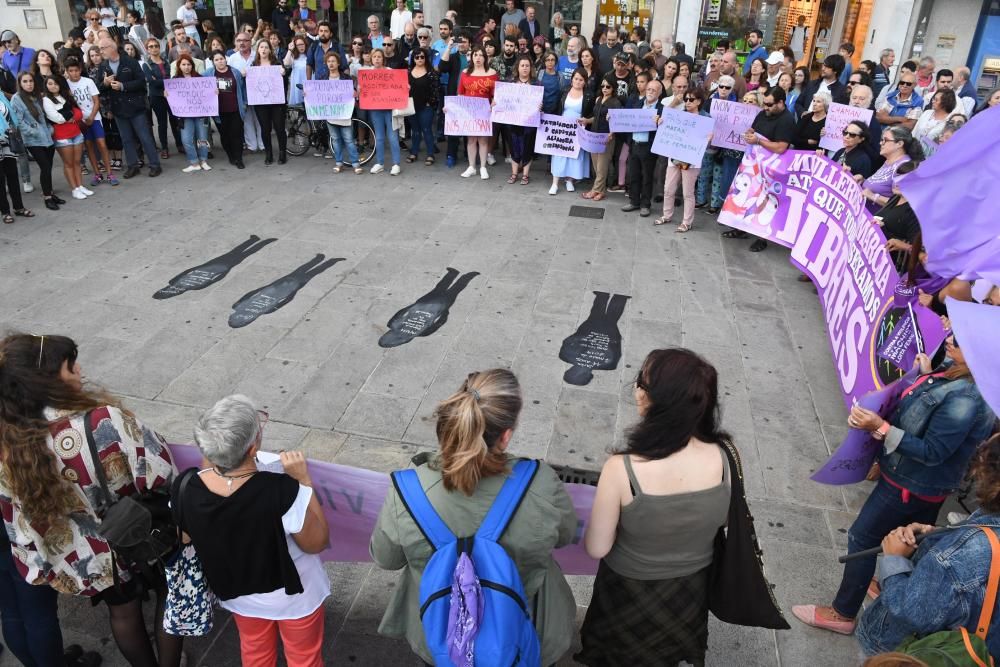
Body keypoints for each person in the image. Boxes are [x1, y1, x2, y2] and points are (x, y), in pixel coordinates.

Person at [370, 368, 577, 666]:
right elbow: (566, 535)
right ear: (505, 437)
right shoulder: (541, 483)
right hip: (528, 631)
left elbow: (386, 558)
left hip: (439, 636)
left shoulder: (407, 490)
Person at [794, 335, 996, 637]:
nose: (951, 339)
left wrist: (879, 427)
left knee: (862, 538)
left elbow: (932, 452)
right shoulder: (958, 373)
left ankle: (843, 612)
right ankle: (891, 578)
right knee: (910, 537)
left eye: (965, 340)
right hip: (917, 482)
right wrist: (927, 370)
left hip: (911, 483)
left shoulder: (965, 399)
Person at [0, 333, 182, 667]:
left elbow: (17, 520)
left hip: (89, 556)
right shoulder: (102, 421)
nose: (80, 370)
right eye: (71, 365)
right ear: (51, 378)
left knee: (123, 613)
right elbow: (160, 471)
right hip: (139, 531)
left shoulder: (9, 441)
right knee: (169, 592)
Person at [577, 348, 731, 665]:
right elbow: (723, 519)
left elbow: (596, 547)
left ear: (655, 402)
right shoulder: (727, 456)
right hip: (689, 590)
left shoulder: (622, 468)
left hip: (627, 591)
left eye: (641, 384)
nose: (636, 391)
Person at [176, 395, 330, 666]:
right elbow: (316, 542)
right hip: (293, 599)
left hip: (239, 595)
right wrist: (303, 480)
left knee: (255, 653)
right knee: (303, 658)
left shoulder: (186, 488)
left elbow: (187, 535)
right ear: (252, 449)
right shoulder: (282, 490)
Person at [738, 87, 795, 252]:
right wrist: (750, 133)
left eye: (769, 105)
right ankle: (742, 227)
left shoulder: (787, 120)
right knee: (750, 194)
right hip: (755, 162)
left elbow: (781, 147)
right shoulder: (764, 113)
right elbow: (754, 128)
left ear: (781, 103)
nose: (766, 108)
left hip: (773, 166)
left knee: (767, 201)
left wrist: (758, 141)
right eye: (764, 104)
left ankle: (761, 238)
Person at [96, 37, 162, 178]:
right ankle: (133, 166)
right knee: (126, 139)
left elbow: (141, 82)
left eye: (102, 48)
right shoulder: (103, 66)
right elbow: (98, 88)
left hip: (135, 107)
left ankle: (155, 165)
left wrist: (123, 86)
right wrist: (105, 84)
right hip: (118, 108)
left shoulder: (130, 62)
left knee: (145, 137)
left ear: (111, 47)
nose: (100, 52)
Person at [656, 88, 710, 232]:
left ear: (699, 101)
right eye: (686, 99)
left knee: (687, 192)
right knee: (668, 189)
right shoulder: (679, 115)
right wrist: (661, 122)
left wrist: (709, 138)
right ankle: (666, 215)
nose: (687, 102)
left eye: (691, 100)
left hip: (691, 161)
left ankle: (687, 221)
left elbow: (708, 141)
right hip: (675, 156)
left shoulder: (706, 118)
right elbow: (665, 125)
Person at [11, 73, 64, 211]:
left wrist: (49, 129)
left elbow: (44, 116)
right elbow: (18, 122)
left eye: (31, 81)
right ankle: (47, 197)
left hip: (47, 137)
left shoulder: (37, 96)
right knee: (45, 167)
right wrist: (33, 132)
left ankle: (50, 193)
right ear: (20, 83)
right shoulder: (17, 99)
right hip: (33, 140)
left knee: (48, 167)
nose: (29, 84)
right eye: (25, 81)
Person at [65, 57, 117, 187]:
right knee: (89, 147)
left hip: (94, 118)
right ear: (67, 71)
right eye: (71, 71)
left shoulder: (88, 82)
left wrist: (92, 117)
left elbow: (96, 101)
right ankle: (97, 174)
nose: (74, 73)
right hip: (80, 121)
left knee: (101, 144)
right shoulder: (65, 85)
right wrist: (80, 119)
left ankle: (110, 173)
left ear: (80, 70)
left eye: (76, 70)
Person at [41, 75, 92, 202]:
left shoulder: (66, 96)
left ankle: (80, 186)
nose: (53, 86)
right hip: (62, 137)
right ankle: (74, 189)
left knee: (77, 162)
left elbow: (79, 113)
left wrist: (67, 114)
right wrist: (69, 114)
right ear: (46, 86)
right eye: (50, 84)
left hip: (76, 133)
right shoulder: (46, 100)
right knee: (68, 163)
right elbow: (57, 118)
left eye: (56, 83)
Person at [452, 45, 497, 179]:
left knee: (483, 140)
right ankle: (471, 166)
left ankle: (483, 167)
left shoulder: (492, 73)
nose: (478, 58)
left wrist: (494, 102)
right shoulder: (465, 73)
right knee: (471, 139)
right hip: (469, 112)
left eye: (481, 55)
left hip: (485, 111)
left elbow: (496, 94)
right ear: (471, 57)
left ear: (485, 57)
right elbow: (460, 93)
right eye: (475, 55)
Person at [620, 77, 662, 217]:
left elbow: (665, 129)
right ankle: (634, 201)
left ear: (659, 93)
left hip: (648, 147)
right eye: (649, 89)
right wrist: (612, 118)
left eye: (654, 90)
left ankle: (645, 205)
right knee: (633, 175)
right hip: (634, 144)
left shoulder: (661, 109)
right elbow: (625, 119)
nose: (650, 92)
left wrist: (660, 122)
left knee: (647, 177)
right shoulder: (638, 104)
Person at [696, 74, 738, 213]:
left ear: (732, 89)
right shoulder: (709, 102)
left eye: (727, 87)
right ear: (717, 86)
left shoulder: (736, 105)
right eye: (721, 86)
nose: (724, 89)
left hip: (724, 146)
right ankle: (701, 200)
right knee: (704, 173)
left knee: (718, 175)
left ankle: (715, 204)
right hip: (708, 144)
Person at [548, 68, 591, 196]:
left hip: (578, 129)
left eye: (581, 80)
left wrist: (586, 120)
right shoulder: (564, 91)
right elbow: (556, 107)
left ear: (585, 81)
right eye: (576, 78)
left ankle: (570, 180)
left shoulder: (588, 95)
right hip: (562, 128)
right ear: (572, 79)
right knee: (559, 154)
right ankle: (555, 183)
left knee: (574, 155)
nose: (578, 82)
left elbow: (590, 113)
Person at [862, 126, 924, 212]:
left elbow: (902, 204)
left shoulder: (904, 166)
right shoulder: (889, 160)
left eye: (885, 140)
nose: (881, 143)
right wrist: (863, 180)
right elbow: (879, 184)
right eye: (881, 140)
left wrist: (873, 196)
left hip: (878, 220)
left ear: (899, 144)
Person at [167, 54, 212, 172]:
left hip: (200, 114)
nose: (186, 67)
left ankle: (203, 160)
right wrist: (167, 95)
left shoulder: (200, 78)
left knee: (202, 138)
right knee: (186, 139)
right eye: (183, 64)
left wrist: (214, 92)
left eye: (188, 64)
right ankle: (194, 162)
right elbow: (173, 99)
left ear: (192, 66)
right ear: (179, 66)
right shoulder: (175, 81)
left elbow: (207, 94)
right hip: (185, 116)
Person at [580, 75, 620, 200]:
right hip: (594, 136)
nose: (605, 88)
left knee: (602, 167)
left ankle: (594, 190)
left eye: (608, 86)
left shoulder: (615, 102)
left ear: (613, 88)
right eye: (603, 86)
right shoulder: (598, 99)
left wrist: (611, 134)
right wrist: (587, 120)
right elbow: (596, 118)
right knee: (597, 167)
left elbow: (618, 121)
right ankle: (601, 191)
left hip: (606, 137)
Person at [249, 40, 287, 165]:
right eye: (261, 47)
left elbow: (284, 84)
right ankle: (269, 154)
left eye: (266, 47)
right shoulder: (253, 66)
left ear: (270, 50)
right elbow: (251, 85)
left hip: (276, 102)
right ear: (258, 50)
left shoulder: (277, 63)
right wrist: (245, 75)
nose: (264, 50)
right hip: (261, 103)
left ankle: (282, 153)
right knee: (265, 129)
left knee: (279, 127)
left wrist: (284, 74)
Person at [207, 50, 247, 169]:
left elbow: (242, 88)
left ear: (225, 59)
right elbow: (198, 84)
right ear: (213, 62)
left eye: (221, 58)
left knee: (237, 135)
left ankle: (239, 158)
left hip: (235, 109)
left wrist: (244, 103)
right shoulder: (209, 74)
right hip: (219, 111)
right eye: (217, 60)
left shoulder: (235, 72)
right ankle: (230, 155)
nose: (220, 61)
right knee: (225, 135)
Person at [367, 48, 402, 175]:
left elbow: (400, 86)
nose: (377, 59)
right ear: (371, 59)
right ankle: (380, 163)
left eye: (379, 57)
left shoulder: (390, 72)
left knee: (393, 137)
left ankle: (396, 164)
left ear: (383, 59)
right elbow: (364, 90)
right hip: (375, 110)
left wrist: (405, 87)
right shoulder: (367, 73)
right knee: (379, 137)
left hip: (390, 109)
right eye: (374, 56)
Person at [228, 33, 264, 153]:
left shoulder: (257, 55)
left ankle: (263, 144)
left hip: (260, 93)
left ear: (250, 42)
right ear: (235, 42)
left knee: (260, 119)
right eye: (239, 40)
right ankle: (252, 146)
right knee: (247, 120)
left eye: (245, 40)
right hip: (242, 94)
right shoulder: (232, 58)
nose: (242, 43)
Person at [0, 93, 34, 222]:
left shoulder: (1, 95)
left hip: (8, 139)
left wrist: (13, 130)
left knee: (13, 174)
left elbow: (10, 116)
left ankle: (18, 207)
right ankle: (5, 211)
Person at [406, 47, 439, 167]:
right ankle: (414, 152)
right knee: (415, 130)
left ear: (426, 58)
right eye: (417, 57)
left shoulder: (431, 72)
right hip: (411, 106)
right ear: (413, 59)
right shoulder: (408, 72)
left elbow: (435, 90)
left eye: (422, 57)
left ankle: (430, 154)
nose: (419, 59)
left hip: (426, 107)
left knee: (427, 130)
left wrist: (430, 103)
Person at [912, 88, 960, 158]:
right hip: (913, 152)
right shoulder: (926, 113)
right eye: (933, 98)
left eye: (936, 100)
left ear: (945, 103)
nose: (932, 101)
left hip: (931, 157)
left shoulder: (950, 121)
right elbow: (914, 132)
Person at [284, 36, 308, 106]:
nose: (301, 47)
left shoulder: (309, 55)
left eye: (302, 44)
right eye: (298, 45)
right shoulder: (294, 56)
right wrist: (290, 50)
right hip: (297, 83)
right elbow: (286, 63)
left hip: (308, 83)